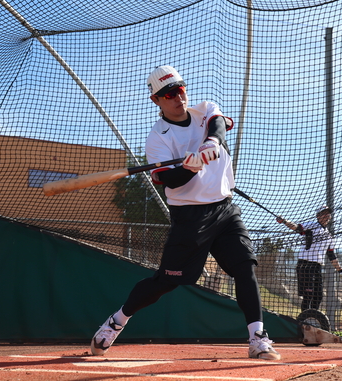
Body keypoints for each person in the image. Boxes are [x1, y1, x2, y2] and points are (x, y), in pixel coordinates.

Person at [90, 65, 281, 361]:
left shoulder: (204, 110)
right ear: (156, 100)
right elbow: (170, 180)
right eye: (169, 94)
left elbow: (219, 125)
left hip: (224, 209)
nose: (178, 98)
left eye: (180, 90)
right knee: (166, 282)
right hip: (189, 217)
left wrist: (211, 142)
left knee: (245, 267)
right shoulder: (158, 138)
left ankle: (257, 338)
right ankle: (116, 322)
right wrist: (191, 167)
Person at [277, 206, 342, 311]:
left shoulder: (329, 236)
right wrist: (284, 221)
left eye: (328, 213)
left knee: (318, 296)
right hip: (305, 264)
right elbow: (297, 228)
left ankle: (313, 316)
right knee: (308, 295)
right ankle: (305, 317)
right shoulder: (312, 225)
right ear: (318, 216)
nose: (327, 215)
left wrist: (340, 270)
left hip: (317, 266)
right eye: (323, 213)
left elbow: (331, 255)